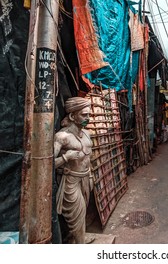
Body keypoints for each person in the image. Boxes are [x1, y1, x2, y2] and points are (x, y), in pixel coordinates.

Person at [54, 97, 93, 244]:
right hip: (70, 181)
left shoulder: (87, 134)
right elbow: (48, 164)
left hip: (85, 178)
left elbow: (89, 158)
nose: (87, 118)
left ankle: (79, 240)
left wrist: (90, 175)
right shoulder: (62, 137)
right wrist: (65, 158)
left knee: (83, 213)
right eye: (84, 115)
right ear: (72, 116)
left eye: (89, 115)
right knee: (76, 216)